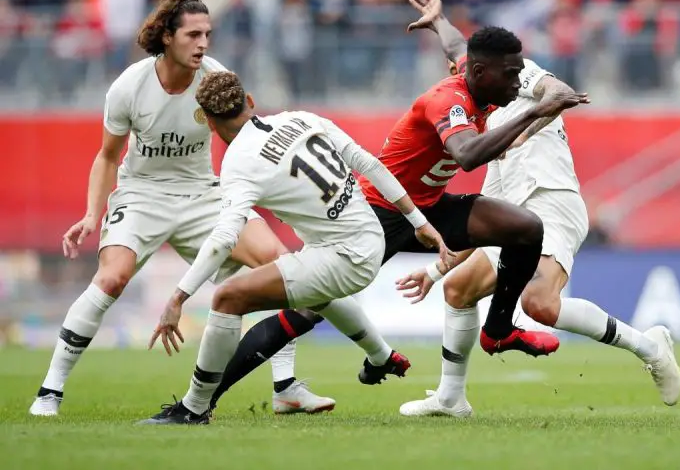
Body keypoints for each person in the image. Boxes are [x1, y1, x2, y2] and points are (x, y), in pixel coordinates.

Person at [189, 1, 590, 413]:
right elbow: (467, 155)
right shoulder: (448, 102)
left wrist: (439, 21)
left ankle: (499, 330)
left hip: (428, 207)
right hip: (378, 215)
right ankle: (202, 401)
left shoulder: (478, 77)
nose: (517, 83)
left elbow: (457, 46)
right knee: (303, 316)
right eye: (510, 74)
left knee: (526, 228)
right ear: (480, 72)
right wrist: (536, 111)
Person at [29, 0, 332, 417]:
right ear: (167, 37)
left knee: (277, 263)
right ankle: (49, 392)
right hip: (142, 195)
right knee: (112, 278)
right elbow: (108, 157)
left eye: (207, 34)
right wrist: (92, 214)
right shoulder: (129, 87)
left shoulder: (215, 79)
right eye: (193, 34)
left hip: (202, 194)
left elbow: (250, 141)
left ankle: (285, 388)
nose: (203, 43)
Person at [396, 0, 680, 418]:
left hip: (552, 200)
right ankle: (451, 398)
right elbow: (458, 48)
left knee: (539, 304)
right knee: (458, 290)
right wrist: (436, 272)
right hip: (517, 217)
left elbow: (558, 90)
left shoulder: (518, 75)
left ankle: (650, 348)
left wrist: (526, 132)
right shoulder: (474, 102)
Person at [140, 71, 453, 424]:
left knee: (228, 298)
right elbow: (368, 163)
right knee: (313, 290)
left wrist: (178, 297)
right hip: (368, 238)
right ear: (250, 102)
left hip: (345, 256)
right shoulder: (300, 118)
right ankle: (378, 357)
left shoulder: (239, 163)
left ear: (211, 124)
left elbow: (225, 237)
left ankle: (193, 408)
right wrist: (419, 222)